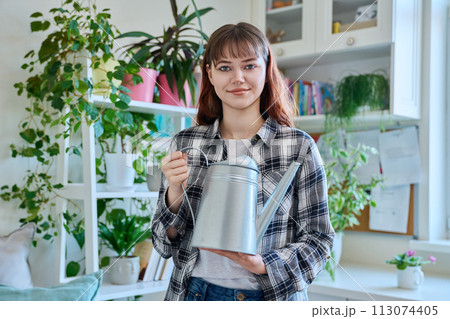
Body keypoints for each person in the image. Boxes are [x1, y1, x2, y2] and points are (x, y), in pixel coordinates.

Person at [151, 22, 334, 301]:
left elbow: (319, 241)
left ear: (266, 69)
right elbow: (163, 243)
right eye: (225, 68)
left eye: (249, 66)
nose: (238, 78)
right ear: (210, 73)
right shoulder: (186, 143)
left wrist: (262, 265)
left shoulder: (299, 146)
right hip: (193, 295)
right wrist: (174, 193)